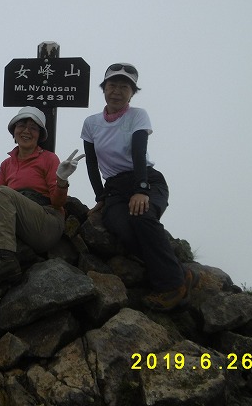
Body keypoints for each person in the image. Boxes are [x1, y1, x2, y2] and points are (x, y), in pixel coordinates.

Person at [80, 63, 197, 312]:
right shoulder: (91, 123)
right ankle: (180, 272)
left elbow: (138, 151)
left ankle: (173, 286)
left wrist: (141, 189)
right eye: (112, 85)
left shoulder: (138, 115)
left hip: (147, 179)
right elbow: (91, 162)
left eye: (124, 87)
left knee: (142, 216)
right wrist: (101, 196)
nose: (117, 91)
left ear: (132, 93)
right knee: (121, 228)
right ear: (104, 88)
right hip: (114, 188)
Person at [0, 106, 84, 287]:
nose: (26, 131)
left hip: (46, 221)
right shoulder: (6, 164)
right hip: (19, 222)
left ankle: (3, 259)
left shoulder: (49, 158)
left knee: (2, 192)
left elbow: (58, 203)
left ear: (39, 135)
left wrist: (61, 180)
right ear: (14, 131)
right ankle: (21, 251)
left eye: (33, 128)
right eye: (21, 126)